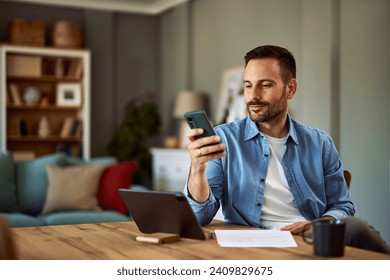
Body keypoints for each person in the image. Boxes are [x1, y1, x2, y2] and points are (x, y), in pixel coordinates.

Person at [184, 45, 390, 254]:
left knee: (355, 227)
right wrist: (198, 168)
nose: (253, 96)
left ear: (290, 89)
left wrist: (319, 224)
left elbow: (342, 206)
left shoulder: (320, 143)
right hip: (252, 244)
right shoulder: (224, 139)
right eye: (247, 85)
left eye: (264, 85)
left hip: (309, 242)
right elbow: (200, 216)